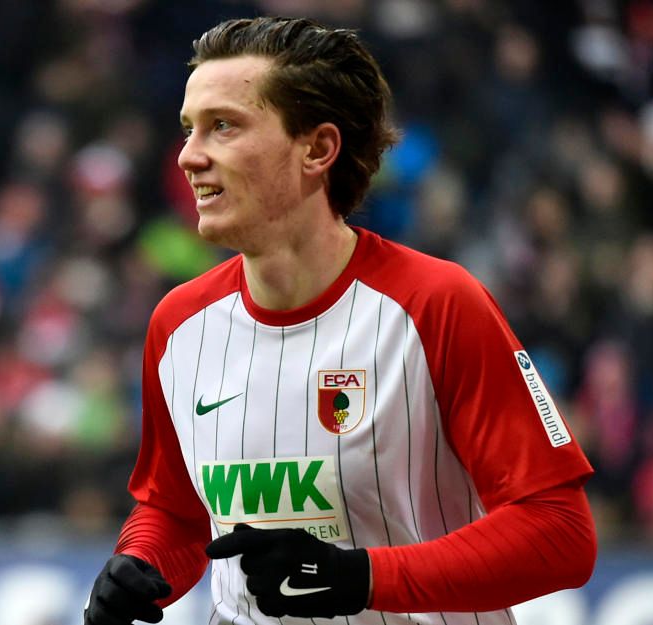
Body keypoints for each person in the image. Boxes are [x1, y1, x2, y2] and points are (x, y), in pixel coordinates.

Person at [85, 17, 596, 625]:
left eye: (223, 125)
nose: (189, 156)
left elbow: (560, 534)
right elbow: (175, 513)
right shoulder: (178, 325)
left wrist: (360, 577)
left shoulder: (437, 304)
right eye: (189, 129)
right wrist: (138, 565)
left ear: (318, 149)